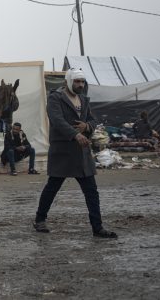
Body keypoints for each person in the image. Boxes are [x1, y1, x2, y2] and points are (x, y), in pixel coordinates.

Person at [33, 68, 117, 238]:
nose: (80, 85)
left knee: (91, 191)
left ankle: (97, 228)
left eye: (82, 82)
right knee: (52, 187)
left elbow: (92, 120)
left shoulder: (84, 99)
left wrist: (87, 127)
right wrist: (75, 134)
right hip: (63, 151)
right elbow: (57, 120)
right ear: (68, 81)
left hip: (81, 152)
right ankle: (40, 219)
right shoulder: (55, 98)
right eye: (77, 81)